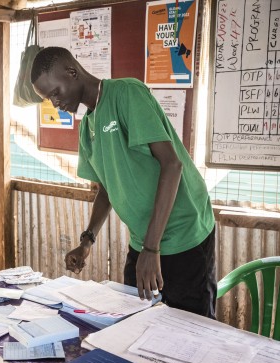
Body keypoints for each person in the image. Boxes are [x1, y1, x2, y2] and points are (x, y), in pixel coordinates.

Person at [30, 47, 216, 318]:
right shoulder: (87, 127)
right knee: (134, 325)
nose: (55, 103)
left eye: (55, 92)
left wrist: (153, 249)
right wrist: (87, 241)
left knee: (192, 331)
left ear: (72, 72)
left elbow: (172, 165)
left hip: (184, 239)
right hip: (144, 242)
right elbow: (106, 188)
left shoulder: (127, 93)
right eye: (48, 99)